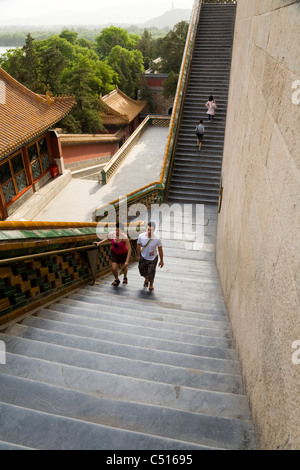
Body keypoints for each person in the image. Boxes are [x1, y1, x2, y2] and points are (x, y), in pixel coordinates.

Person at [94, 222, 131, 286]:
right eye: (116, 229)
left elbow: (130, 249)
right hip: (114, 253)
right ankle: (117, 280)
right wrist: (99, 243)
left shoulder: (124, 237)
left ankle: (125, 277)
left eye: (118, 230)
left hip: (123, 253)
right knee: (114, 268)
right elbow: (107, 239)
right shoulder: (112, 234)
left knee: (123, 267)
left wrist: (127, 261)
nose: (116, 231)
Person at [137, 221, 164, 292]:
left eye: (150, 230)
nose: (149, 231)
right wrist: (138, 255)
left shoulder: (157, 238)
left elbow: (160, 250)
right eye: (148, 229)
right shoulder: (141, 236)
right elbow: (138, 245)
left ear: (154, 230)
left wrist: (161, 260)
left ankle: (151, 285)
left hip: (153, 258)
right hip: (143, 256)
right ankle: (146, 279)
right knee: (141, 271)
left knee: (151, 272)